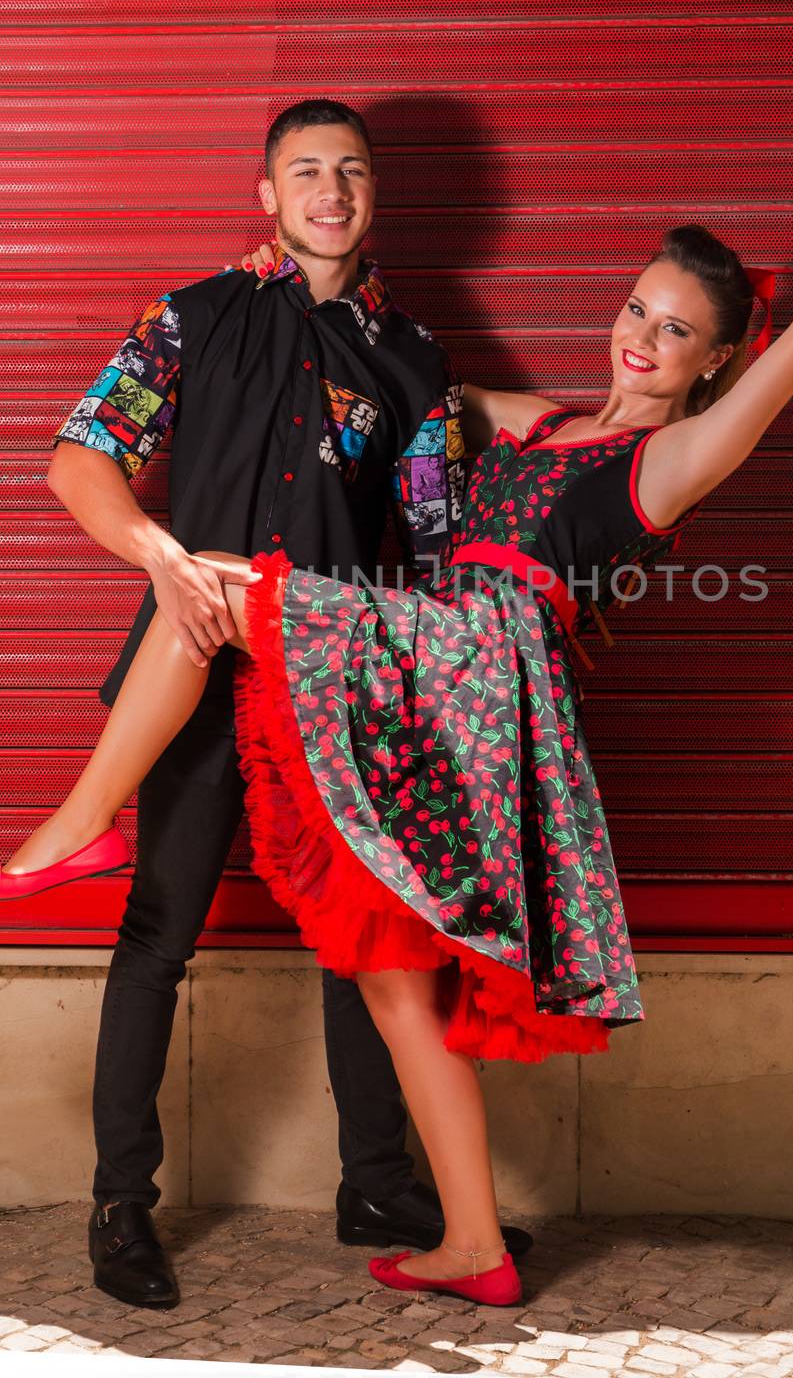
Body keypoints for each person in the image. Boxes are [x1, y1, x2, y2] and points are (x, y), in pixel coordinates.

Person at [4, 131, 793, 1309]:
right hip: (406, 673)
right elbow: (392, 378)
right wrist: (277, 284)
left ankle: (81, 821)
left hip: (469, 677)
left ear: (711, 366)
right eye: (637, 310)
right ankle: (471, 1245)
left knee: (222, 578)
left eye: (676, 333)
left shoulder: (669, 460)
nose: (642, 341)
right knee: (390, 970)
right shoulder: (527, 421)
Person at [1, 96, 532, 1310]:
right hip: (186, 677)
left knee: (370, 952)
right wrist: (160, 555)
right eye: (305, 170)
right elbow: (78, 455)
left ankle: (379, 1184)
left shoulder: (413, 358)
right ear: (266, 193)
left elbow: (435, 547)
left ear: (371, 193)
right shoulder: (189, 318)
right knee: (156, 938)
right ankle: (120, 1203)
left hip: (339, 691)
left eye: (349, 170)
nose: (329, 189)